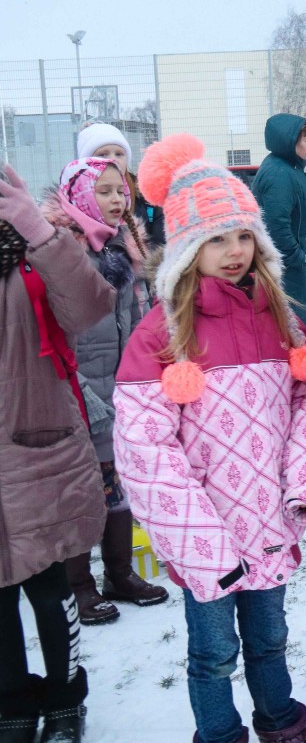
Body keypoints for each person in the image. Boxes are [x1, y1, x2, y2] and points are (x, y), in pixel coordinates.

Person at [112, 133, 306, 743]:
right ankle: (219, 733)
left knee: (270, 641)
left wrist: (305, 485)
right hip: (204, 539)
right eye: (215, 238)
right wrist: (198, 544)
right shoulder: (162, 334)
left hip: (268, 526)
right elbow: (146, 453)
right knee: (212, 654)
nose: (233, 251)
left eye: (242, 236)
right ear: (186, 249)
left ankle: (280, 721)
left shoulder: (277, 316)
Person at [0, 164, 114, 743]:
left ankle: (66, 701)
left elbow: (92, 307)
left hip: (34, 446)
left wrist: (38, 234)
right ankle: (12, 706)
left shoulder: (34, 251)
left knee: (47, 587)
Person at [45, 157, 166, 626]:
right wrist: (80, 393)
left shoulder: (128, 246)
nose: (119, 200)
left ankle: (120, 573)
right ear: (79, 196)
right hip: (77, 391)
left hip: (122, 388)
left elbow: (142, 319)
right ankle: (78, 586)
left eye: (123, 192)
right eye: (106, 191)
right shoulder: (63, 252)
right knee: (82, 491)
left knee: (119, 485)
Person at [252, 113, 306, 358]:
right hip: (293, 270)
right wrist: (298, 258)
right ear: (289, 140)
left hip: (304, 266)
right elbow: (275, 226)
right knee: (299, 330)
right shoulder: (279, 173)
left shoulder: (290, 168)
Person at [76, 121, 165, 249]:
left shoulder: (148, 200)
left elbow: (161, 250)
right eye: (103, 154)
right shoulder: (73, 205)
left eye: (119, 154)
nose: (113, 159)